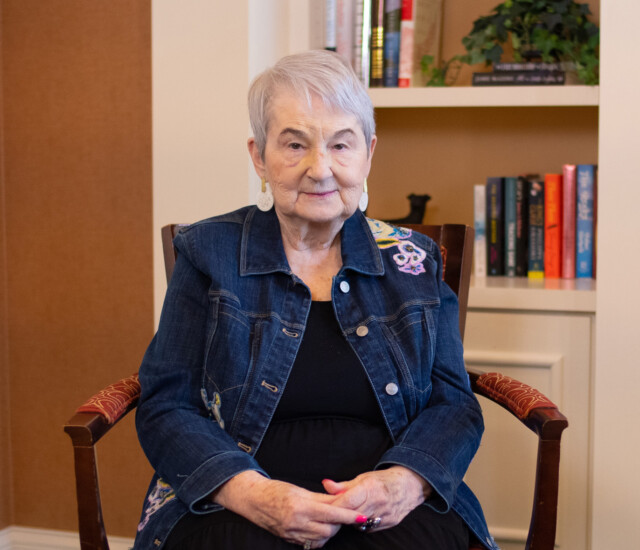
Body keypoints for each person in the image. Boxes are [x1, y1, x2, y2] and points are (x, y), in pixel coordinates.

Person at [133, 50, 496, 550]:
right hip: (237, 496)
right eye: (294, 144)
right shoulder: (207, 252)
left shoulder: (415, 261)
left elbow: (453, 403)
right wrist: (252, 493)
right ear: (258, 155)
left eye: (340, 145)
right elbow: (166, 405)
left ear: (368, 152)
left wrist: (402, 483)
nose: (320, 168)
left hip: (387, 501)